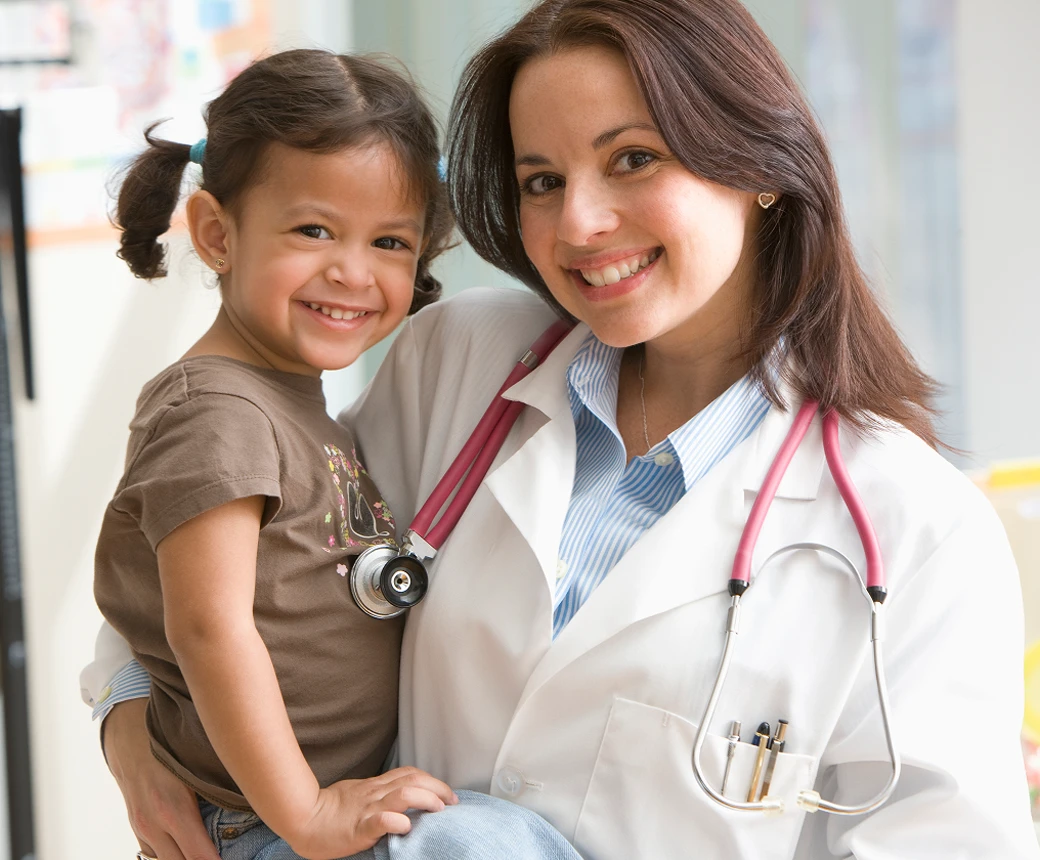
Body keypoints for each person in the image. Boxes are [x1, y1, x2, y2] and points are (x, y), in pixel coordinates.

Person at [83, 2, 1040, 858]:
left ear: (758, 165)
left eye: (633, 159)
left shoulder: (912, 528)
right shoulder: (458, 359)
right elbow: (233, 554)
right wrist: (129, 714)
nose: (579, 223)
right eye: (541, 180)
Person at [94, 47, 463, 859]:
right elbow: (208, 628)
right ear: (218, 234)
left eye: (391, 243)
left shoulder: (290, 403)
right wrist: (307, 815)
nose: (352, 271)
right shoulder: (219, 413)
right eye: (314, 229)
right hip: (258, 824)